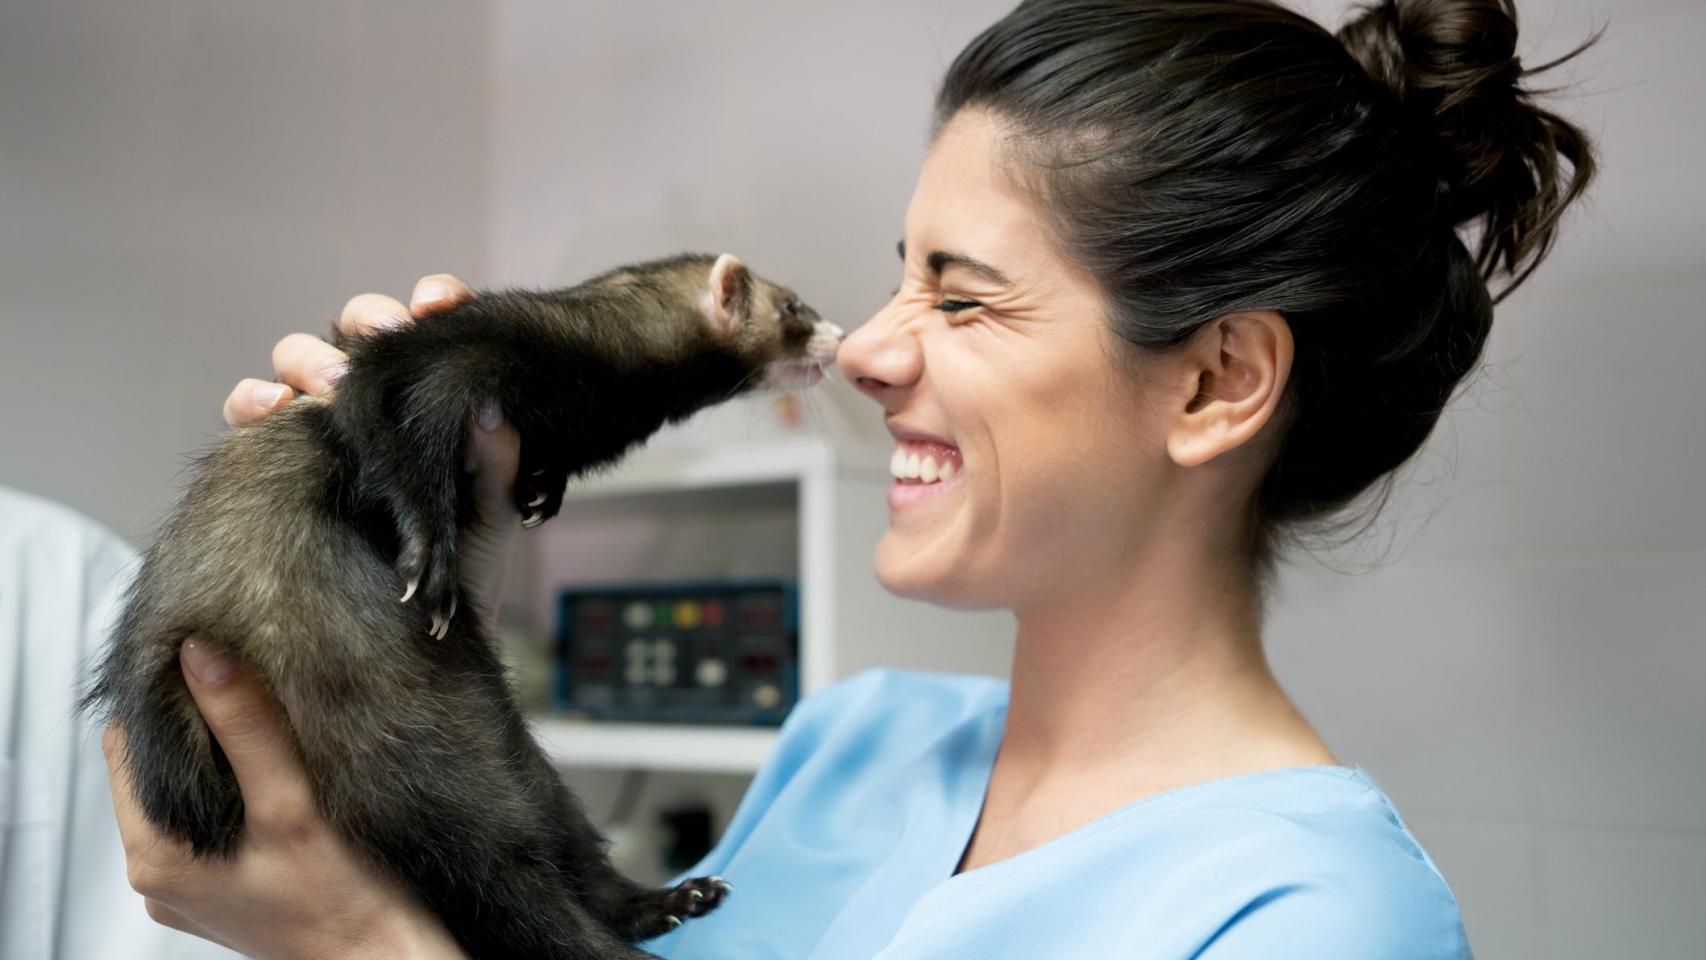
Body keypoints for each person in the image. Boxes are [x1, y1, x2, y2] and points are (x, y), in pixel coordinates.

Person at [99, 0, 1596, 957]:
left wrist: (363, 947)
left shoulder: (1304, 921)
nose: (871, 353)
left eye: (962, 294)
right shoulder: (854, 744)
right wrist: (402, 574)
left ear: (1212, 384)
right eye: (900, 275)